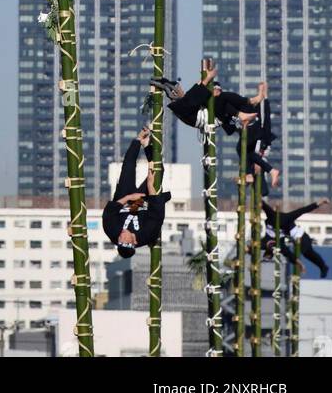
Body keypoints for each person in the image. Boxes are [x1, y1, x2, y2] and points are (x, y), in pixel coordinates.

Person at [151, 70, 280, 186]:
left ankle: (246, 109)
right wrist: (206, 79)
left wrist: (204, 81)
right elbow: (195, 95)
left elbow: (195, 94)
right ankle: (248, 106)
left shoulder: (183, 103)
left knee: (222, 101)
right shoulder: (182, 104)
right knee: (222, 99)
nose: (182, 90)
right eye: (179, 89)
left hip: (220, 119)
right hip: (211, 119)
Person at [102, 127, 170, 257]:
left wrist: (128, 197)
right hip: (144, 201)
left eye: (119, 241)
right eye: (123, 240)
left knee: (128, 167)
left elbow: (109, 212)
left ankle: (139, 140)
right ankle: (147, 146)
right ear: (132, 242)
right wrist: (150, 185)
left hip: (124, 199)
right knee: (158, 170)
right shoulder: (147, 235)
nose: (120, 237)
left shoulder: (112, 233)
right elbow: (157, 213)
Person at [262, 199, 330, 278]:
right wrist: (300, 264)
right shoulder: (277, 244)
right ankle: (322, 266)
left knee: (306, 252)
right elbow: (289, 255)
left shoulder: (282, 218)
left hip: (300, 235)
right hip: (289, 238)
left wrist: (320, 202)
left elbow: (302, 210)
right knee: (285, 249)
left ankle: (323, 267)